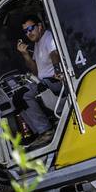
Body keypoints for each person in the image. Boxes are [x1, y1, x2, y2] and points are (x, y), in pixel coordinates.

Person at [15, 14, 64, 144]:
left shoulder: (48, 37)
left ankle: (46, 131)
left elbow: (54, 53)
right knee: (17, 97)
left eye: (31, 28)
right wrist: (25, 54)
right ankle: (37, 133)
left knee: (25, 95)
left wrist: (58, 70)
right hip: (44, 81)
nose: (29, 33)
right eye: (26, 31)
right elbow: (36, 71)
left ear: (40, 26)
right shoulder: (37, 44)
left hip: (56, 82)